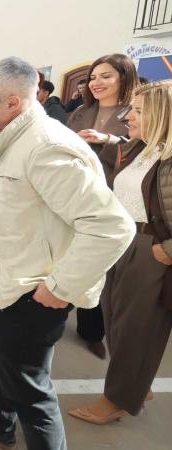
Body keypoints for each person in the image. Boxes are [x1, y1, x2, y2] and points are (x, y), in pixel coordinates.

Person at [0, 57, 133, 450]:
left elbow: (111, 226)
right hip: (2, 282)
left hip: (32, 295)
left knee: (31, 393)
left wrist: (58, 288)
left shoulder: (45, 147)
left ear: (13, 102)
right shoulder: (12, 136)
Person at [68, 80, 172, 425]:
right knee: (114, 320)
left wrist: (165, 251)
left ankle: (116, 400)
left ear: (162, 114)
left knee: (135, 330)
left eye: (140, 111)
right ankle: (136, 386)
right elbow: (122, 150)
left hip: (150, 251)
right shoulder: (145, 148)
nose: (129, 116)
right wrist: (108, 140)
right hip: (124, 243)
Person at [66, 53, 137, 359]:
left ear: (124, 78)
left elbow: (148, 147)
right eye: (93, 77)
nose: (97, 83)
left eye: (106, 76)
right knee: (71, 258)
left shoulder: (135, 112)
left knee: (102, 268)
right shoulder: (81, 112)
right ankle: (62, 317)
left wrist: (108, 139)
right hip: (76, 197)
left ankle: (93, 332)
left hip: (116, 203)